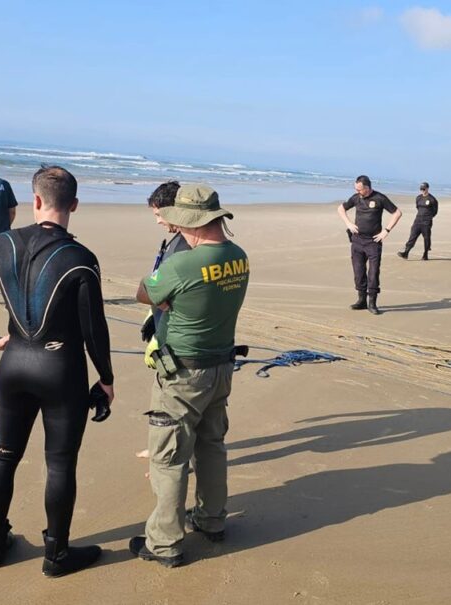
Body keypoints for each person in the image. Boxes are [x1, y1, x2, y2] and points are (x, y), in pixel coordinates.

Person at [0, 165, 114, 577]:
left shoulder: (1, 244)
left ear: (34, 200)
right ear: (74, 205)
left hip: (14, 366)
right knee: (60, 465)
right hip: (61, 370)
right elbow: (94, 328)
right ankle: (56, 557)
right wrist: (106, 379)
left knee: (2, 457)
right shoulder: (81, 259)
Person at [130, 184, 249, 568]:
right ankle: (212, 519)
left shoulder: (183, 264)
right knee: (211, 445)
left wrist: (166, 294)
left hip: (183, 373)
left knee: (169, 457)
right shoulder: (239, 257)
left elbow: (143, 292)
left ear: (193, 223)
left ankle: (164, 543)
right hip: (221, 366)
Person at [140, 181, 191, 368]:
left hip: (175, 344)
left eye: (158, 215)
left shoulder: (186, 248)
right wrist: (153, 310)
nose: (158, 221)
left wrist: (160, 336)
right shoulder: (178, 241)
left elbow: (183, 301)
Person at [337, 175, 402, 314]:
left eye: (359, 189)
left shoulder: (380, 198)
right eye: (356, 189)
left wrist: (386, 231)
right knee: (358, 272)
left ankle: (372, 303)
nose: (357, 192)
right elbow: (340, 209)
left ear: (367, 187)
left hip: (373, 242)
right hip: (357, 241)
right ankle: (362, 301)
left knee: (373, 273)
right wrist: (348, 223)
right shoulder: (356, 198)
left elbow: (397, 213)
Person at [397, 182, 439, 261]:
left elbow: (435, 211)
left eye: (424, 189)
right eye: (421, 189)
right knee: (412, 237)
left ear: (427, 188)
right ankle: (406, 253)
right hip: (417, 221)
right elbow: (418, 207)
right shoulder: (418, 198)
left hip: (426, 222)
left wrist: (428, 217)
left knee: (426, 238)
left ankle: (425, 255)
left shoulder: (432, 199)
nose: (422, 190)